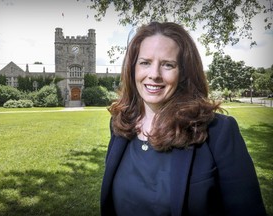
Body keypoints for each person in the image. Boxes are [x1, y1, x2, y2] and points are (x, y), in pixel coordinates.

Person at [100, 22, 266, 216]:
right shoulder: (120, 125)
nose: (154, 75)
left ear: (184, 73)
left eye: (168, 65)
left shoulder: (217, 131)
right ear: (132, 69)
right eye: (145, 62)